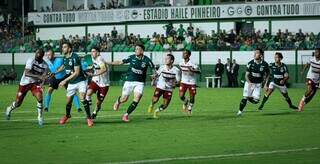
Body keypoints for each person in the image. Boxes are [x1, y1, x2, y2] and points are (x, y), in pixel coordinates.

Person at [111, 44, 155, 122]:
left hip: (140, 83)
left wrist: (154, 75)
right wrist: (108, 63)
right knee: (124, 99)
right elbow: (120, 62)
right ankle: (118, 101)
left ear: (142, 51)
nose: (136, 50)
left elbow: (153, 69)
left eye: (137, 49)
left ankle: (126, 115)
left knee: (137, 98)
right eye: (135, 49)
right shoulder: (132, 57)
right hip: (129, 81)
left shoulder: (147, 60)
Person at [5, 49, 49, 126]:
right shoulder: (30, 60)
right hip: (24, 83)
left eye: (38, 57)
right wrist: (39, 76)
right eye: (36, 55)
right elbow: (27, 73)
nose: (36, 57)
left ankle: (40, 117)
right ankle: (9, 108)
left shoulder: (45, 65)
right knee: (18, 103)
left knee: (40, 97)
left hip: (34, 84)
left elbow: (43, 78)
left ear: (42, 57)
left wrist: (42, 84)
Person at [58, 42, 94, 127]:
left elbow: (77, 72)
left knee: (82, 98)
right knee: (68, 102)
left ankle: (89, 118)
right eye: (62, 47)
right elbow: (63, 66)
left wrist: (64, 80)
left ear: (69, 49)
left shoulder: (75, 57)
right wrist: (55, 72)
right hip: (72, 83)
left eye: (65, 47)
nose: (63, 49)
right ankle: (67, 115)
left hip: (81, 81)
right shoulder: (64, 58)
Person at [237, 48, 270, 116]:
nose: (255, 54)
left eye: (257, 53)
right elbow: (246, 75)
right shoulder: (250, 63)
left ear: (261, 55)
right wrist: (249, 83)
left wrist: (266, 84)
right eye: (254, 53)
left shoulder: (265, 64)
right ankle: (240, 111)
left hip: (258, 84)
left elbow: (268, 74)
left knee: (256, 101)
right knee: (245, 97)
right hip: (250, 83)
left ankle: (248, 97)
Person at [147, 54, 181, 118]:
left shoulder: (176, 70)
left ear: (172, 61)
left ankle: (156, 112)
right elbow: (156, 74)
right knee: (155, 100)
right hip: (160, 86)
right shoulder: (162, 67)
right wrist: (153, 79)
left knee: (165, 105)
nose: (165, 60)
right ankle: (152, 104)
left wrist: (175, 84)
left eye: (167, 59)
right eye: (165, 58)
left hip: (169, 88)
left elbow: (178, 81)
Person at [85, 47, 110, 119]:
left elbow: (104, 69)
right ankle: (89, 107)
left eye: (93, 51)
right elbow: (95, 66)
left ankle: (95, 112)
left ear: (98, 53)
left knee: (98, 103)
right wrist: (91, 68)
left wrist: (94, 74)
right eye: (91, 51)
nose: (92, 53)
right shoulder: (93, 58)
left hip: (104, 84)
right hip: (95, 80)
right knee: (88, 93)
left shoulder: (100, 59)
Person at [179, 49, 201, 115]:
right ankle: (186, 101)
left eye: (185, 53)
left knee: (192, 97)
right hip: (183, 81)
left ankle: (190, 108)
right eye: (183, 53)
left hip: (192, 82)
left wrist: (193, 70)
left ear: (189, 55)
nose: (183, 54)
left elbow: (199, 72)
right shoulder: (181, 63)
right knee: (181, 96)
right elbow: (180, 71)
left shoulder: (193, 63)